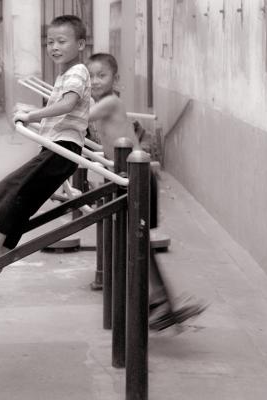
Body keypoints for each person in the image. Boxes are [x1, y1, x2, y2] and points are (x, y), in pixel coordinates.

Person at [0, 15, 90, 272]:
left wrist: (31, 115)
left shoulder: (77, 72)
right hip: (58, 148)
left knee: (9, 188)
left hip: (63, 151)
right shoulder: (66, 74)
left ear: (81, 45)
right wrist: (35, 117)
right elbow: (64, 112)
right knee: (22, 201)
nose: (54, 47)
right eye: (50, 41)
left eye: (62, 41)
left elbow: (68, 105)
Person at [86, 53, 207, 330]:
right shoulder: (103, 104)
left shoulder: (109, 102)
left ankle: (160, 301)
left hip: (139, 178)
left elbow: (81, 115)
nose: (95, 81)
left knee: (136, 241)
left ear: (115, 80)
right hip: (128, 176)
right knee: (137, 243)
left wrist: (43, 115)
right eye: (90, 76)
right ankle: (160, 301)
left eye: (101, 75)